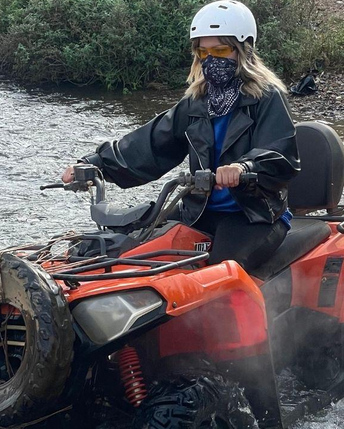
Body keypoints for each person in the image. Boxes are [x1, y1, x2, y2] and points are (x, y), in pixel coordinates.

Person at [62, 0, 300, 273]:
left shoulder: (267, 98)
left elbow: (281, 152)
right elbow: (150, 143)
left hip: (254, 215)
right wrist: (96, 164)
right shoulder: (196, 103)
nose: (211, 60)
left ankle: (236, 317)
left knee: (220, 275)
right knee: (138, 248)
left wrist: (244, 167)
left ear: (243, 50)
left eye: (220, 50)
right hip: (198, 210)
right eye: (203, 52)